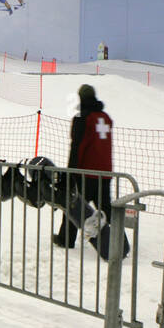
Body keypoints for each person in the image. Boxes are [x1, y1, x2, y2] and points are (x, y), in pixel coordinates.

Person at [54, 84, 113, 248]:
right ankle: (117, 242)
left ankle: (65, 240)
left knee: (73, 207)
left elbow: (77, 148)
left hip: (86, 173)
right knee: (106, 210)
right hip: (105, 173)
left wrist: (69, 173)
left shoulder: (82, 118)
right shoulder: (105, 117)